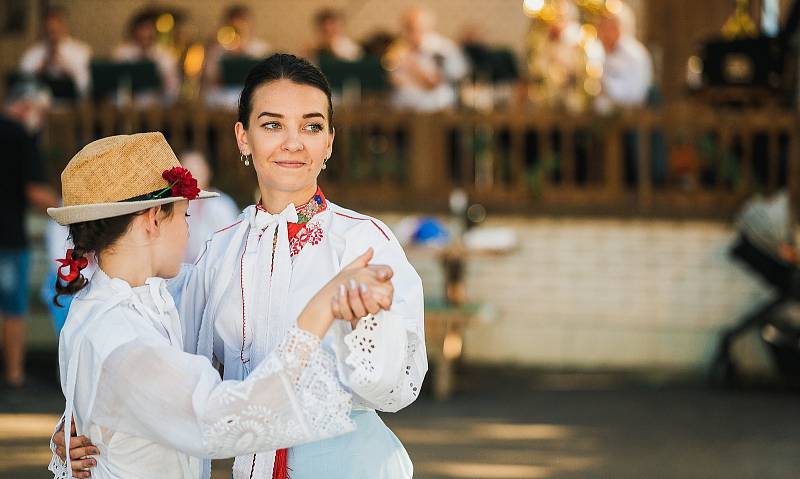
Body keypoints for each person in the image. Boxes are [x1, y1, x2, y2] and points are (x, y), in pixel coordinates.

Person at [59, 53, 426, 479]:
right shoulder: (219, 250)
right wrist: (89, 421)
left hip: (348, 465)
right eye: (272, 124)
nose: (293, 142)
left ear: (329, 141)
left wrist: (367, 327)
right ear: (243, 137)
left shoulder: (362, 241)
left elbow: (397, 389)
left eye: (312, 126)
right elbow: (154, 361)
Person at [0, 81, 59, 389]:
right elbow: (35, 192)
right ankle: (14, 376)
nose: (41, 121)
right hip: (8, 236)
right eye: (41, 113)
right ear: (27, 107)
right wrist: (65, 208)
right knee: (12, 309)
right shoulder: (20, 136)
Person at [386, 6, 469, 112]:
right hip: (403, 110)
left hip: (436, 109)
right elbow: (394, 80)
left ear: (427, 28)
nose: (408, 33)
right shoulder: (398, 49)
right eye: (406, 28)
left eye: (413, 28)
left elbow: (434, 83)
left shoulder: (443, 49)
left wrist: (411, 65)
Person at [179, 150, 240, 262]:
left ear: (207, 171)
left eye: (197, 168)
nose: (192, 175)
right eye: (187, 170)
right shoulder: (177, 206)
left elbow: (233, 242)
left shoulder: (222, 204)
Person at [204, 5, 270, 108]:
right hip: (222, 97)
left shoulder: (260, 49)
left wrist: (244, 52)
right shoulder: (217, 49)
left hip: (249, 95)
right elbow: (210, 79)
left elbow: (265, 80)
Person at [19, 6, 92, 98]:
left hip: (68, 103)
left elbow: (85, 86)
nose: (52, 31)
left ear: (64, 27)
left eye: (56, 27)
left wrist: (66, 71)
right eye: (49, 29)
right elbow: (22, 84)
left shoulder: (80, 51)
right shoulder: (32, 53)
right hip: (37, 102)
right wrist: (41, 69)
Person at [595, 1, 653, 111]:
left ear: (619, 28)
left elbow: (635, 94)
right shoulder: (598, 50)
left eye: (608, 27)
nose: (603, 32)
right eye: (601, 26)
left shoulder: (635, 55)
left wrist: (602, 83)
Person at [112, 11, 181, 101]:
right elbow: (115, 87)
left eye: (149, 28)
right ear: (135, 30)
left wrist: (164, 82)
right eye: (143, 28)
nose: (146, 33)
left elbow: (173, 89)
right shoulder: (122, 53)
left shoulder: (165, 55)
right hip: (128, 108)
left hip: (157, 107)